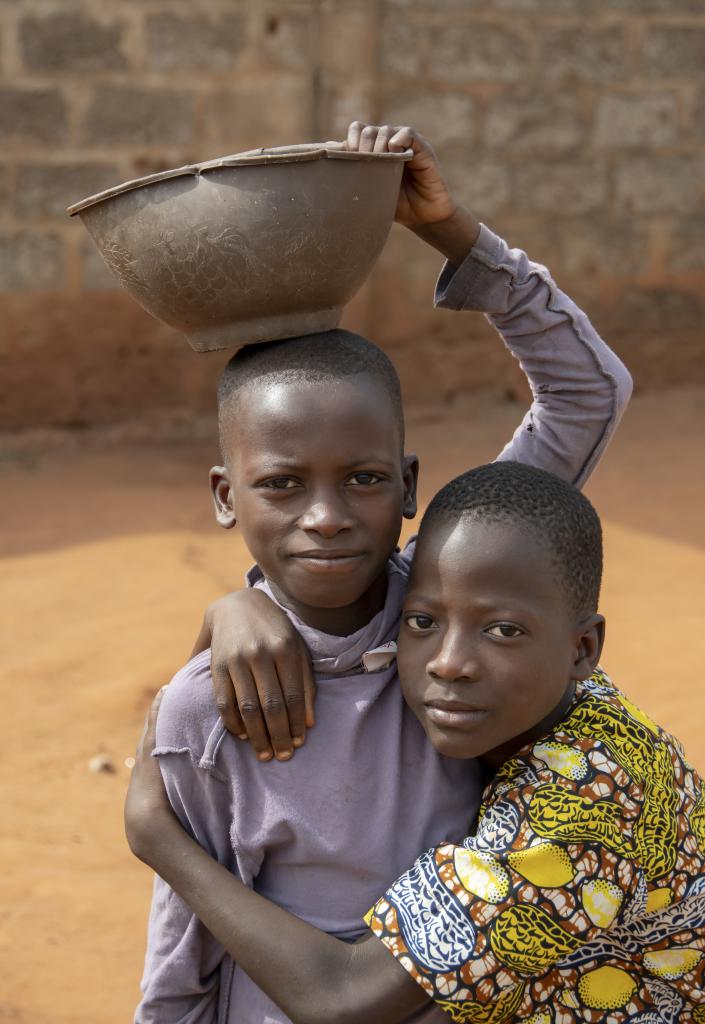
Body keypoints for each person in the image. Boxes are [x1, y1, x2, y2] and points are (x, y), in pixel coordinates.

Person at [134, 122, 632, 1023]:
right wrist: (233, 612)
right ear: (224, 495)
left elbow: (586, 392)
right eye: (280, 484)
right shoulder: (205, 708)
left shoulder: (449, 606)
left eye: (363, 479)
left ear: (406, 485)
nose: (326, 517)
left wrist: (452, 233)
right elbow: (185, 939)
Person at [127, 462, 705, 1024]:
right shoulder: (546, 705)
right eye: (423, 622)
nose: (450, 664)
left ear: (583, 648)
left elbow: (341, 998)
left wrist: (159, 838)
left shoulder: (578, 814)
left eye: (503, 631)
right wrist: (236, 607)